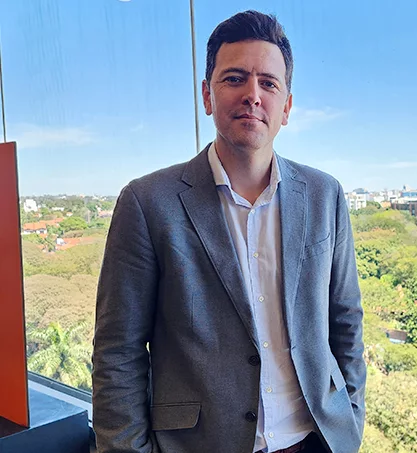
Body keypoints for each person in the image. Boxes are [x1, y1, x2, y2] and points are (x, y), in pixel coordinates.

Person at [91, 10, 365, 453]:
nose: (252, 95)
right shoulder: (147, 203)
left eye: (268, 83)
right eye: (234, 78)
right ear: (207, 95)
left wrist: (350, 417)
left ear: (286, 107)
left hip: (315, 440)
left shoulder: (324, 194)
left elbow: (345, 320)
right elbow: (117, 352)